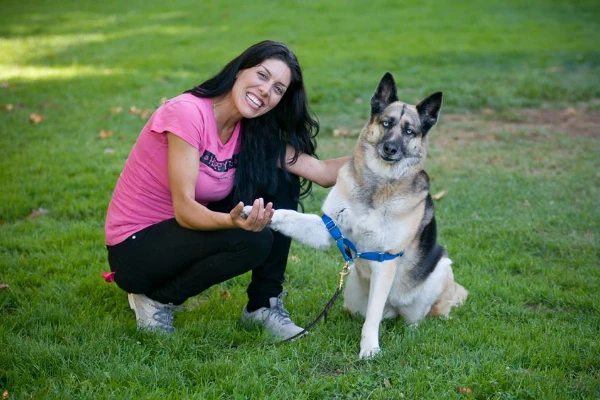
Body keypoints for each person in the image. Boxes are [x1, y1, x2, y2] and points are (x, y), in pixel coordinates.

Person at [104, 40, 348, 339]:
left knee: (283, 178)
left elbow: (321, 172)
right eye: (262, 75)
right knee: (254, 241)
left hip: (181, 237)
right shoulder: (188, 113)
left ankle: (263, 306)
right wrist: (233, 222)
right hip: (136, 250)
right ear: (239, 70)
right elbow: (185, 210)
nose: (266, 91)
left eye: (278, 89)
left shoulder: (251, 131)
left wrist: (386, 155)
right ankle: (155, 299)